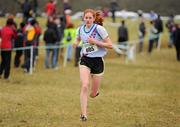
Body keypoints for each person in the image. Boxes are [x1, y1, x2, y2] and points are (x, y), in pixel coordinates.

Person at [73, 9, 113, 121]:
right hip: (85, 60)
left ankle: (95, 92)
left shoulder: (99, 29)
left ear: (94, 19)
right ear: (83, 18)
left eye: (90, 18)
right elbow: (78, 38)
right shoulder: (80, 29)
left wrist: (95, 42)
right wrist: (76, 42)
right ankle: (83, 114)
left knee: (93, 93)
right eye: (86, 18)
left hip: (98, 61)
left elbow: (110, 45)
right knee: (85, 85)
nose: (88, 20)